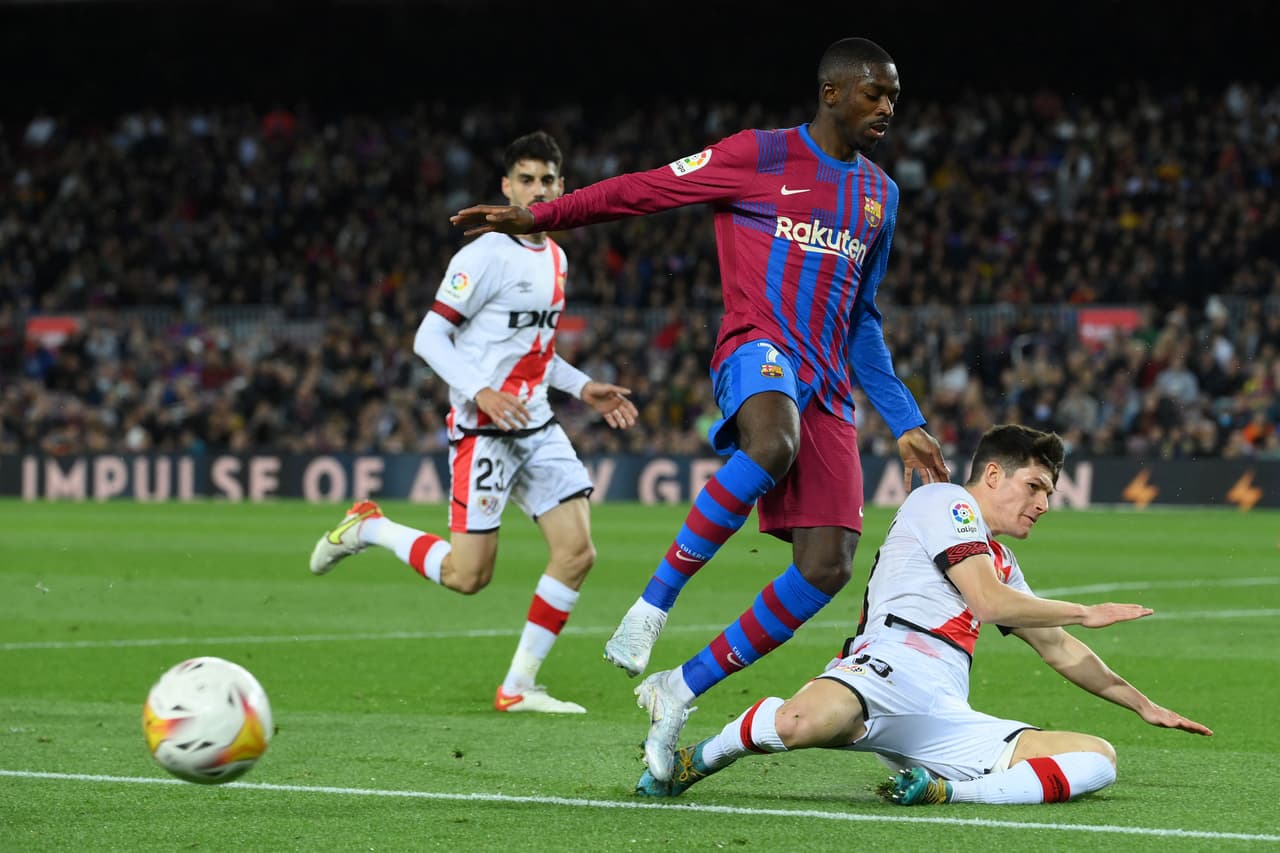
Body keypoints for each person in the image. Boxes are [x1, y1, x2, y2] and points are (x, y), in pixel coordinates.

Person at [452, 37, 949, 779]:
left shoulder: (880, 195)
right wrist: (542, 218)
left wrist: (904, 417)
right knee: (771, 442)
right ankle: (652, 605)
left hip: (828, 384)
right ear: (833, 92)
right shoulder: (760, 155)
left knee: (828, 565)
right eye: (875, 94)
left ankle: (679, 687)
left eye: (895, 98)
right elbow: (644, 188)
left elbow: (862, 318)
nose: (887, 108)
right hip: (757, 346)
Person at [634, 424, 1214, 803]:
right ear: (993, 475)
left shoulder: (1001, 559)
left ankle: (942, 791)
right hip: (885, 667)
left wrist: (1144, 705)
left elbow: (1059, 648)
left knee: (1098, 759)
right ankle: (699, 760)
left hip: (942, 705)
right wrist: (1086, 610)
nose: (1043, 503)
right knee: (798, 724)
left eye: (1051, 493)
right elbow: (986, 602)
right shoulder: (943, 501)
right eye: (1035, 486)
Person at [310, 131, 638, 714]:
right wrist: (481, 391)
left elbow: (536, 351)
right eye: (527, 179)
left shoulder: (557, 258)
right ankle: (370, 527)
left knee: (577, 552)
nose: (537, 189)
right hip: (484, 431)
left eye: (548, 181)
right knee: (468, 577)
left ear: (562, 189)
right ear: (507, 188)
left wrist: (582, 385)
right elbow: (428, 337)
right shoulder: (484, 254)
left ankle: (519, 687)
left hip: (536, 425)